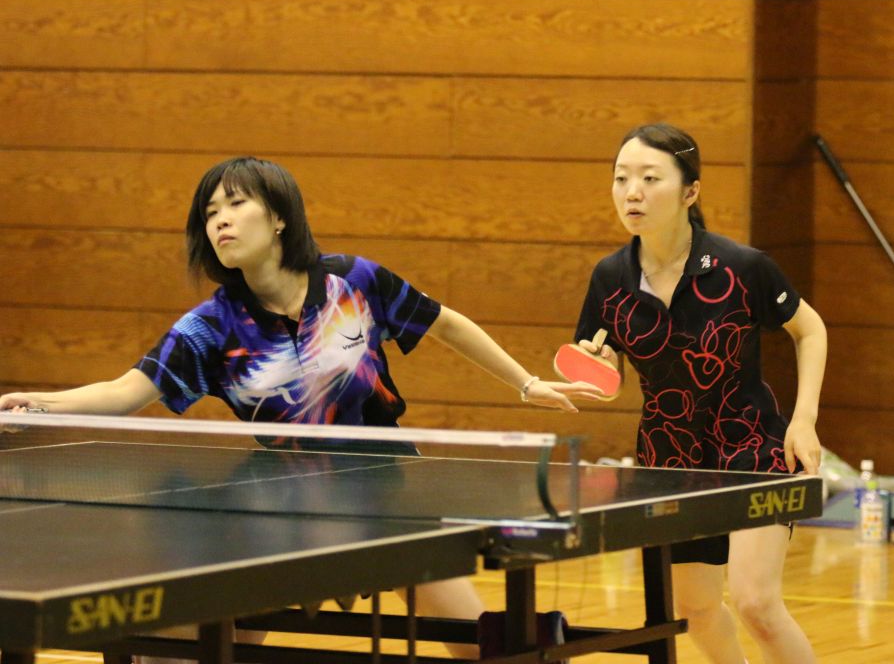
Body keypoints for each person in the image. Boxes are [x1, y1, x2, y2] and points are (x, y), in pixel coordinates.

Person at [0, 155, 602, 661]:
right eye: (209, 213)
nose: (220, 220)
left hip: (389, 494)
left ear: (279, 216)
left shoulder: (354, 282)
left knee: (480, 647)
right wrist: (37, 404)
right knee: (191, 648)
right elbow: (126, 390)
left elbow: (446, 323)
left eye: (235, 204)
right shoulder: (211, 327)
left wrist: (526, 384)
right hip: (284, 507)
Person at [571, 123, 825, 664]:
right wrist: (601, 367)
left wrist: (803, 420)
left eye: (649, 178)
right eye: (621, 178)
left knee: (756, 604)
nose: (632, 192)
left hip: (752, 450)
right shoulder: (609, 278)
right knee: (695, 610)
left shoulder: (742, 267)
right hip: (669, 461)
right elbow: (604, 370)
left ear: (690, 191)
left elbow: (810, 330)